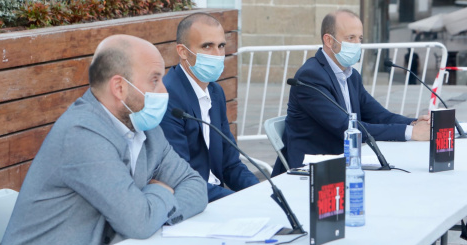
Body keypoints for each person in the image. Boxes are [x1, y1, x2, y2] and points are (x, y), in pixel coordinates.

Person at [0, 35, 208, 245]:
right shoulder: (81, 133)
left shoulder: (147, 129)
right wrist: (160, 190)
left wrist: (153, 209)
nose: (164, 90)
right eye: (154, 80)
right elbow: (139, 222)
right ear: (119, 87)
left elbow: (195, 186)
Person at [272, 9, 430, 176]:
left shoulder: (351, 75)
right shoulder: (310, 76)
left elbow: (378, 115)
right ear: (328, 40)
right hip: (312, 170)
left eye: (359, 39)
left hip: (346, 162)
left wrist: (413, 123)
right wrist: (412, 133)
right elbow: (345, 127)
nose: (356, 44)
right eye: (350, 38)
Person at [160, 13, 259, 202]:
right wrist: (240, 202)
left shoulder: (215, 91)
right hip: (190, 201)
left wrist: (262, 193)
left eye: (221, 46)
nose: (217, 54)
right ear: (182, 51)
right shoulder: (169, 97)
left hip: (217, 196)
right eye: (207, 46)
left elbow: (230, 164)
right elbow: (181, 179)